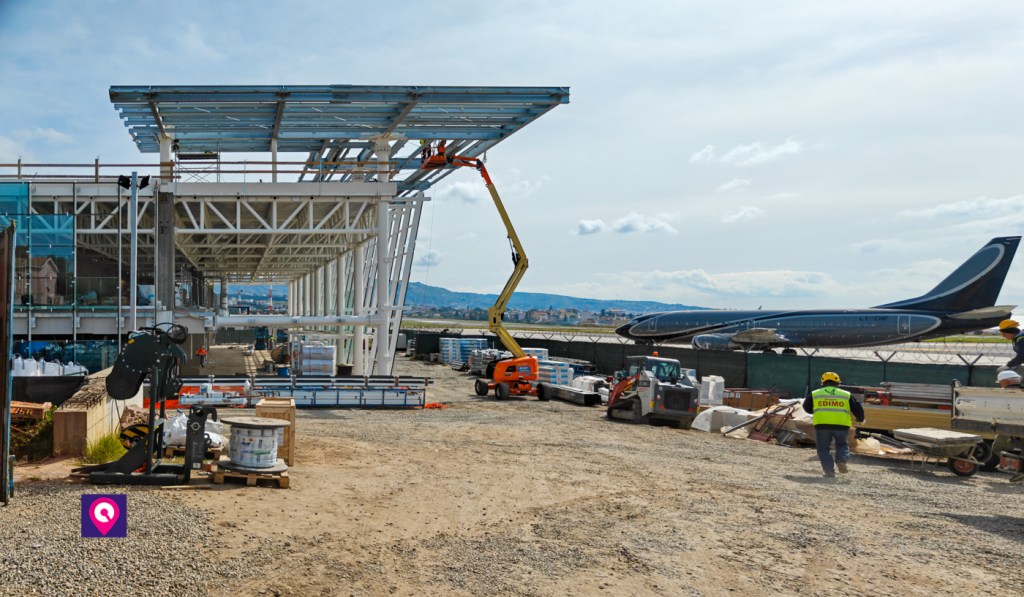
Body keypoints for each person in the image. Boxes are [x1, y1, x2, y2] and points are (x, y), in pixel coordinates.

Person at [803, 371, 865, 479]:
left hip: (821, 425)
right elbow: (857, 408)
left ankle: (829, 472)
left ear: (823, 382)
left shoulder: (815, 393)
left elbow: (806, 407)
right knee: (841, 444)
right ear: (838, 383)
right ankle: (841, 460)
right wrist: (860, 419)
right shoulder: (846, 394)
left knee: (823, 449)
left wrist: (818, 411)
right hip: (841, 425)